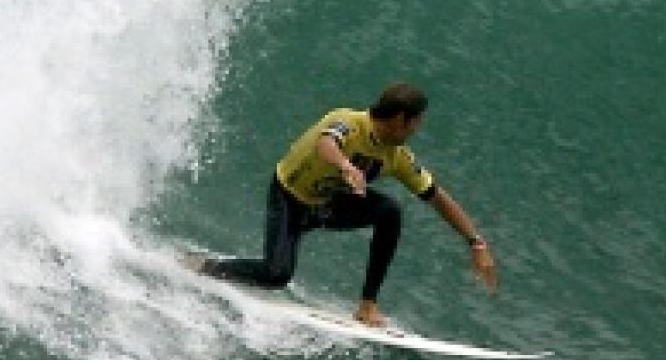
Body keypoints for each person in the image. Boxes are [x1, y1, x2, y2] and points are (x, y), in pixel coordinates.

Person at [200, 82, 498, 328]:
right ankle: (207, 268)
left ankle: (368, 305)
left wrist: (476, 243)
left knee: (389, 211)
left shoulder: (396, 156)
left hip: (326, 205)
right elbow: (326, 143)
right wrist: (344, 165)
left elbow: (438, 198)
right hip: (288, 199)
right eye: (416, 121)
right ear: (399, 120)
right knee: (276, 275)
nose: (417, 129)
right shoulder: (348, 121)